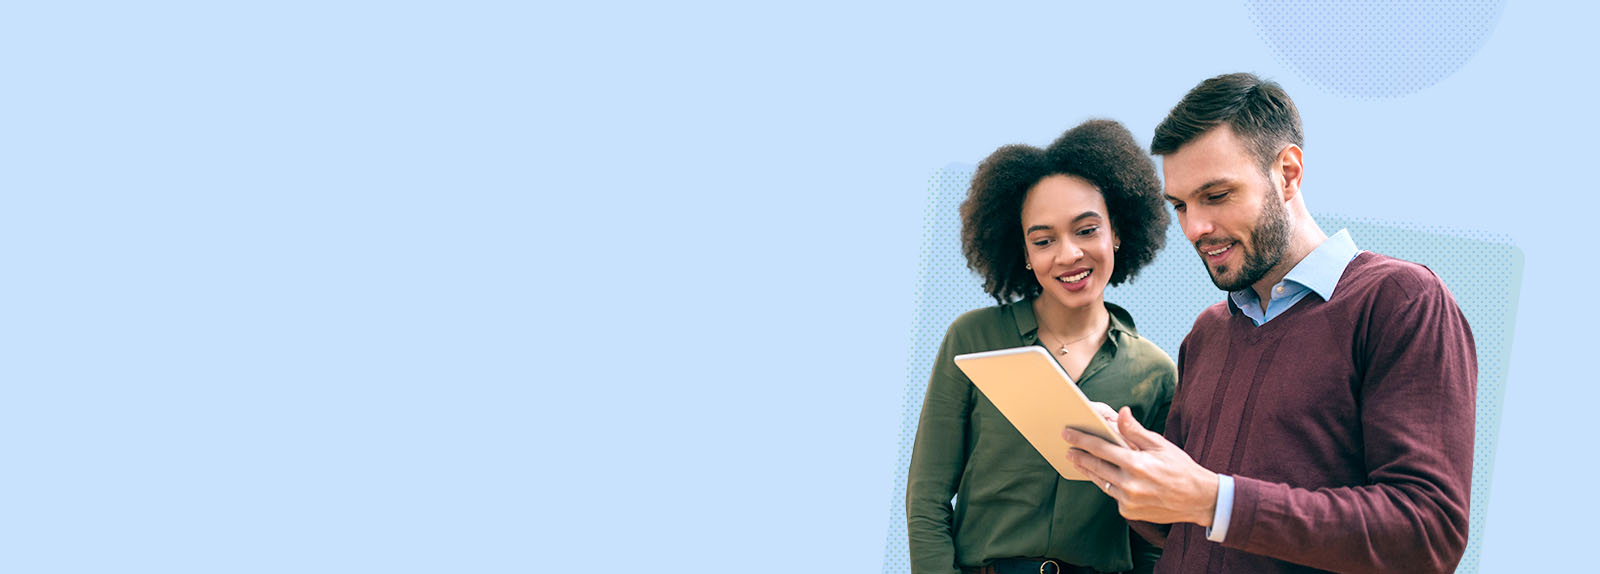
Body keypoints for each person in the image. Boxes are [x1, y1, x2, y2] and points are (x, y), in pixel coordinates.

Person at [1060, 73, 1476, 573]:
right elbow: (1183, 525)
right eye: (1181, 206)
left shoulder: (1399, 301)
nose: (1195, 228)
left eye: (1217, 195)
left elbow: (1427, 533)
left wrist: (1216, 501)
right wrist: (1128, 466)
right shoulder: (1207, 333)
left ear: (1288, 173)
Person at [906, 119, 1176, 574]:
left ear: (1118, 232)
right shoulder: (972, 339)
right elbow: (927, 499)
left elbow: (1152, 531)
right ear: (1025, 254)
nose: (1068, 254)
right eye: (1044, 240)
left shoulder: (1155, 372)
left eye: (1087, 230)